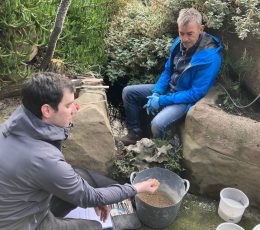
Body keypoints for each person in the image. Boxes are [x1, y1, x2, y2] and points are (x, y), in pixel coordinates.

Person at [0, 72, 160, 230]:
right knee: (94, 226)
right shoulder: (42, 157)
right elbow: (91, 196)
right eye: (68, 105)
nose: (75, 110)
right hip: (28, 224)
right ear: (47, 110)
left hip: (23, 204)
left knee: (81, 176)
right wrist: (137, 188)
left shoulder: (14, 124)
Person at [119, 8, 223, 146]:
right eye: (181, 33)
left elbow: (195, 93)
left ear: (201, 29)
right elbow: (168, 70)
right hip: (169, 89)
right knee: (128, 92)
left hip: (184, 98)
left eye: (190, 34)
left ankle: (164, 149)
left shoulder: (211, 58)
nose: (184, 39)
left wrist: (161, 101)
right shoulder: (178, 43)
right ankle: (135, 134)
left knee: (157, 124)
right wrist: (157, 92)